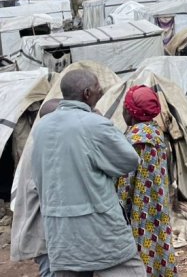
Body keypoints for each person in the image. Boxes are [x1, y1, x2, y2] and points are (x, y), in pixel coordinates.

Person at [31, 68, 145, 277]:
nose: (100, 94)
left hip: (59, 230)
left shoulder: (42, 126)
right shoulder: (95, 124)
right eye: (97, 90)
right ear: (87, 94)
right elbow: (128, 161)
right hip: (98, 228)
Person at [116, 86, 177, 277]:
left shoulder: (134, 141)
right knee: (158, 242)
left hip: (138, 207)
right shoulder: (155, 133)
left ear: (131, 112)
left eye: (125, 107)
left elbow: (125, 184)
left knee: (140, 249)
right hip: (157, 203)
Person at [10, 98, 61, 277]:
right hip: (45, 231)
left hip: (46, 231)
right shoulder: (45, 147)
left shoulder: (40, 142)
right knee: (51, 269)